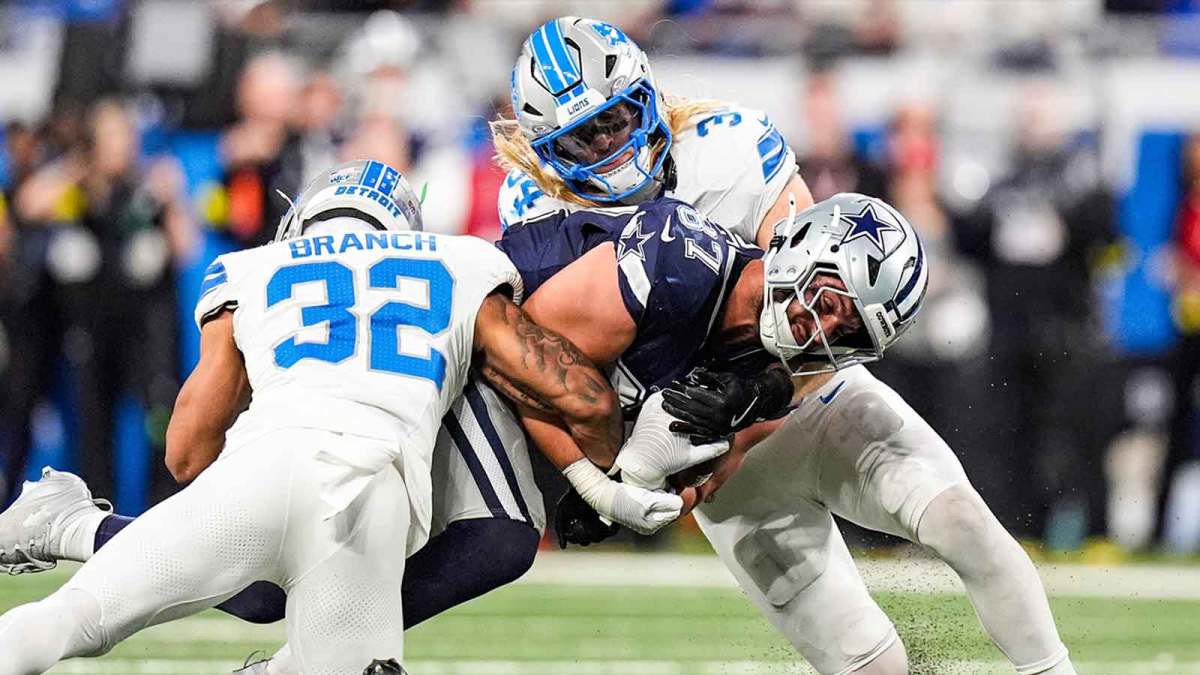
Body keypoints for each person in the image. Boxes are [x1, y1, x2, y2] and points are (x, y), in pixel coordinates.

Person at [493, 16, 1077, 675]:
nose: (608, 144)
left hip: (814, 398)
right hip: (717, 465)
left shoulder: (732, 146)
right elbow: (547, 365)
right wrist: (611, 471)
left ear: (646, 99)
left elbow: (836, 316)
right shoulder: (536, 213)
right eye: (583, 134)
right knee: (872, 665)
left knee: (963, 523)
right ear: (547, 149)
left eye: (615, 119)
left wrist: (761, 390)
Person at [0, 159, 636, 675]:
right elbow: (586, 399)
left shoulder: (252, 267)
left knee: (74, 620)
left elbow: (186, 451)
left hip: (264, 464)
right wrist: (605, 479)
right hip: (370, 496)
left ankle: (68, 527)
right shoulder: (460, 259)